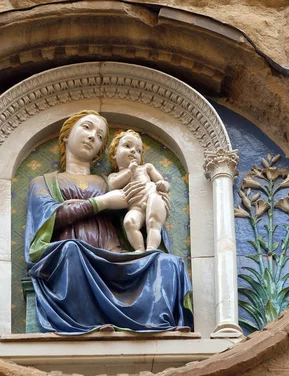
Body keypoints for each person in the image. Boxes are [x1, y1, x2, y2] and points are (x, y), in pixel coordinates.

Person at [24, 110, 193, 334]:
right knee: (72, 251)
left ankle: (160, 324)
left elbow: (139, 209)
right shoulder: (44, 181)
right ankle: (88, 324)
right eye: (86, 127)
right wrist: (101, 203)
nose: (93, 136)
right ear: (66, 135)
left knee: (167, 263)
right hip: (71, 256)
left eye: (101, 136)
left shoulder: (112, 182)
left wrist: (155, 199)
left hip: (113, 255)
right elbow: (49, 218)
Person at [107, 129, 170, 253]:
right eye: (127, 146)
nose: (133, 151)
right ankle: (139, 250)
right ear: (114, 153)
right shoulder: (113, 176)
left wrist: (163, 185)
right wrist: (129, 171)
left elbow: (162, 181)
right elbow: (113, 186)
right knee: (129, 223)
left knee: (153, 222)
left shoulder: (146, 167)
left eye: (138, 150)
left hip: (153, 196)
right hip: (135, 206)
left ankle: (151, 249)